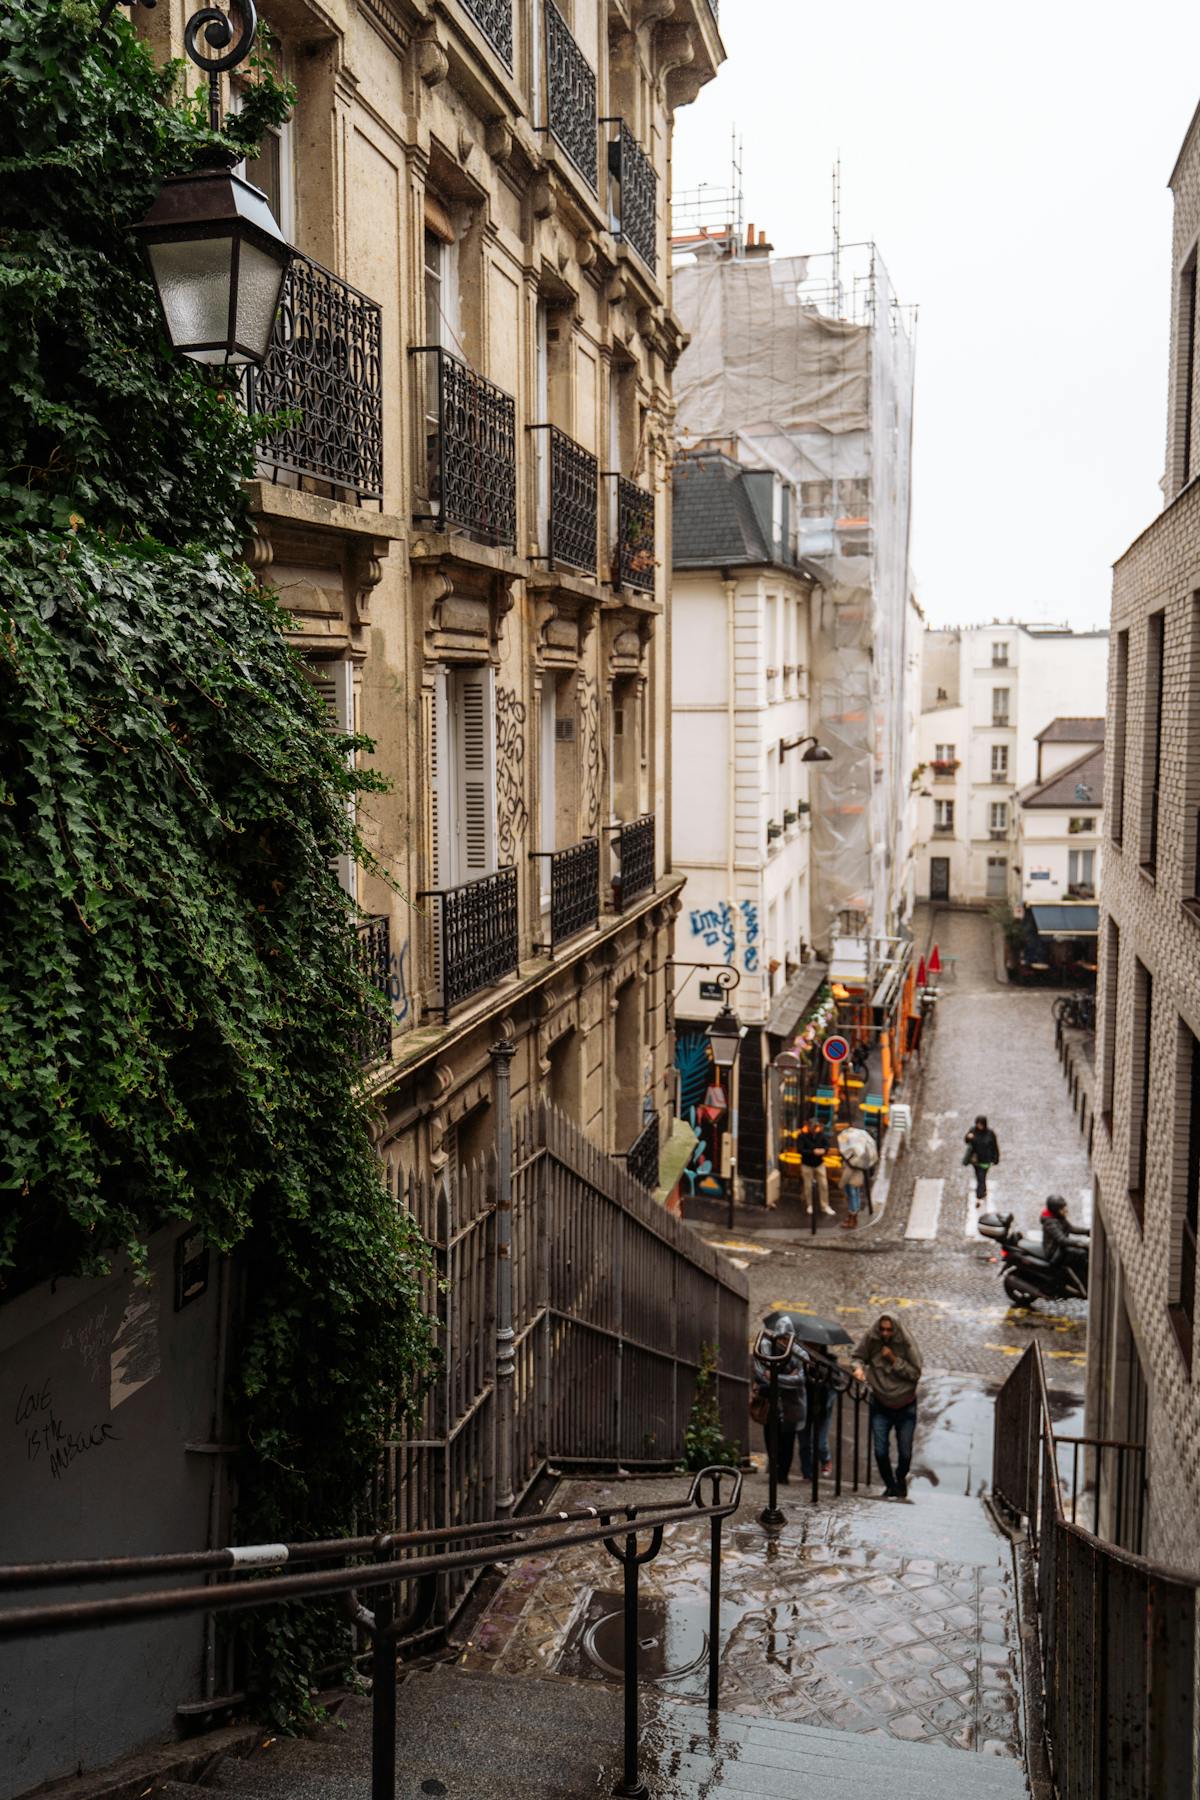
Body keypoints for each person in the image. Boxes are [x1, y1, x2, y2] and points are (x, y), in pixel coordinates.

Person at [852, 1313, 922, 1500]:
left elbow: (915, 1373)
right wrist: (858, 1368)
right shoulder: (872, 1338)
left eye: (889, 1330)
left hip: (905, 1405)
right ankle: (891, 1486)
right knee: (880, 1450)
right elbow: (857, 1356)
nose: (885, 1333)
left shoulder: (906, 1344)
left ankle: (900, 1479)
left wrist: (893, 1359)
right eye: (882, 1329)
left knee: (905, 1453)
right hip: (881, 1404)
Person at [751, 1316, 809, 1484]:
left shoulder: (799, 1353)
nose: (784, 1341)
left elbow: (800, 1379)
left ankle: (782, 1475)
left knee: (787, 1440)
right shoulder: (765, 1347)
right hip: (771, 1402)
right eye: (781, 1337)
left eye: (786, 1337)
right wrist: (784, 1378)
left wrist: (775, 1377)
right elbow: (761, 1374)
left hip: (791, 1404)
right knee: (771, 1437)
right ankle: (775, 1474)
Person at [797, 1348, 837, 1479]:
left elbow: (836, 1384)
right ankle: (807, 1474)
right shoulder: (800, 1357)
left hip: (822, 1406)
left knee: (820, 1443)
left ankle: (826, 1460)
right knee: (804, 1443)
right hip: (804, 1404)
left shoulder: (829, 1361)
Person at [837, 1125, 878, 1231]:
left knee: (852, 1197)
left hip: (852, 1180)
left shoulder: (855, 1156)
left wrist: (840, 1184)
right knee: (855, 1196)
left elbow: (848, 1171)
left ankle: (853, 1219)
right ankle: (852, 1217)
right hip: (858, 1179)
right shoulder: (863, 1153)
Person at [797, 1121, 835, 1217]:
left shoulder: (820, 1135)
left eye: (816, 1127)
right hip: (807, 1164)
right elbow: (800, 1150)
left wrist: (824, 1150)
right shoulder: (802, 1136)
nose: (815, 1129)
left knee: (824, 1184)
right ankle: (809, 1205)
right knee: (808, 1185)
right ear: (809, 1127)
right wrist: (813, 1151)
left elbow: (827, 1145)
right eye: (813, 1127)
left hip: (819, 1163)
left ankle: (825, 1205)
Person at [963, 1115, 1000, 1202]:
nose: (979, 1126)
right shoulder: (973, 1131)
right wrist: (968, 1137)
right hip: (976, 1160)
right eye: (978, 1124)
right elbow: (966, 1141)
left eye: (981, 1124)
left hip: (986, 1160)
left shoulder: (990, 1133)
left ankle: (980, 1195)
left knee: (981, 1177)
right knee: (979, 1177)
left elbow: (995, 1146)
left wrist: (996, 1158)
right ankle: (982, 1191)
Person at [1041, 1193, 1089, 1261]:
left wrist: (1088, 1231)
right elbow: (1062, 1240)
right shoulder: (1050, 1223)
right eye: (1062, 1209)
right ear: (1055, 1211)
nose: (1065, 1210)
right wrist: (1080, 1243)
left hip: (1060, 1247)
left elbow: (1071, 1228)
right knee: (1081, 1254)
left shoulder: (1059, 1217)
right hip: (1054, 1252)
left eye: (1064, 1207)